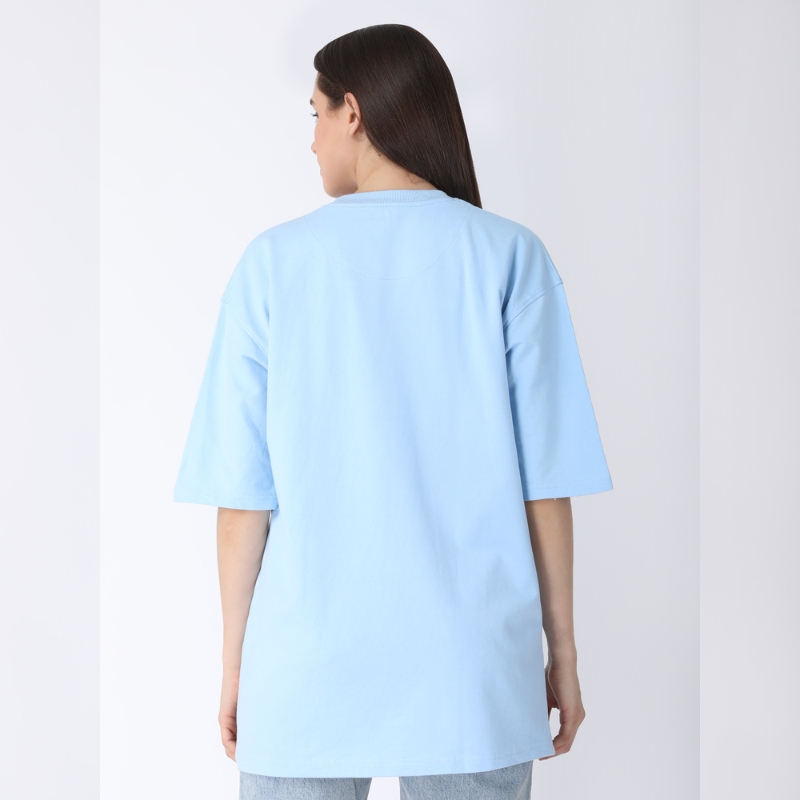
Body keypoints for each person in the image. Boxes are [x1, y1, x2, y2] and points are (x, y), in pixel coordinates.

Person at [173, 23, 613, 800]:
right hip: (472, 671)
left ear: (353, 112)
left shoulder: (272, 264)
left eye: (315, 115)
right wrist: (564, 657)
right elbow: (544, 486)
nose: (311, 140)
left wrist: (238, 665)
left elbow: (243, 502)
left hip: (305, 668)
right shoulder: (509, 256)